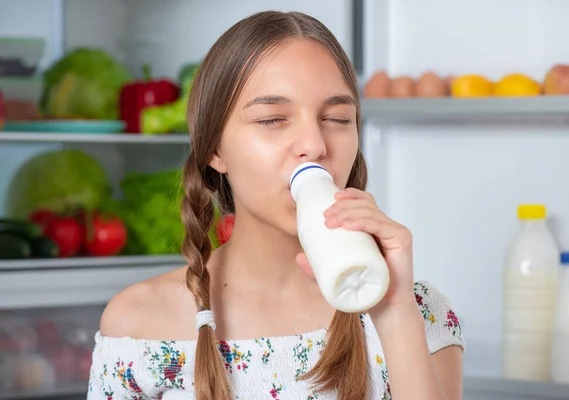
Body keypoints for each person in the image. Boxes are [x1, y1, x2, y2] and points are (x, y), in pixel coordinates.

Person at [87, 10, 465, 400]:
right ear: (215, 149)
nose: (315, 145)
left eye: (337, 118)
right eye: (272, 119)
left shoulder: (417, 310)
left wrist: (396, 313)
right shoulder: (136, 324)